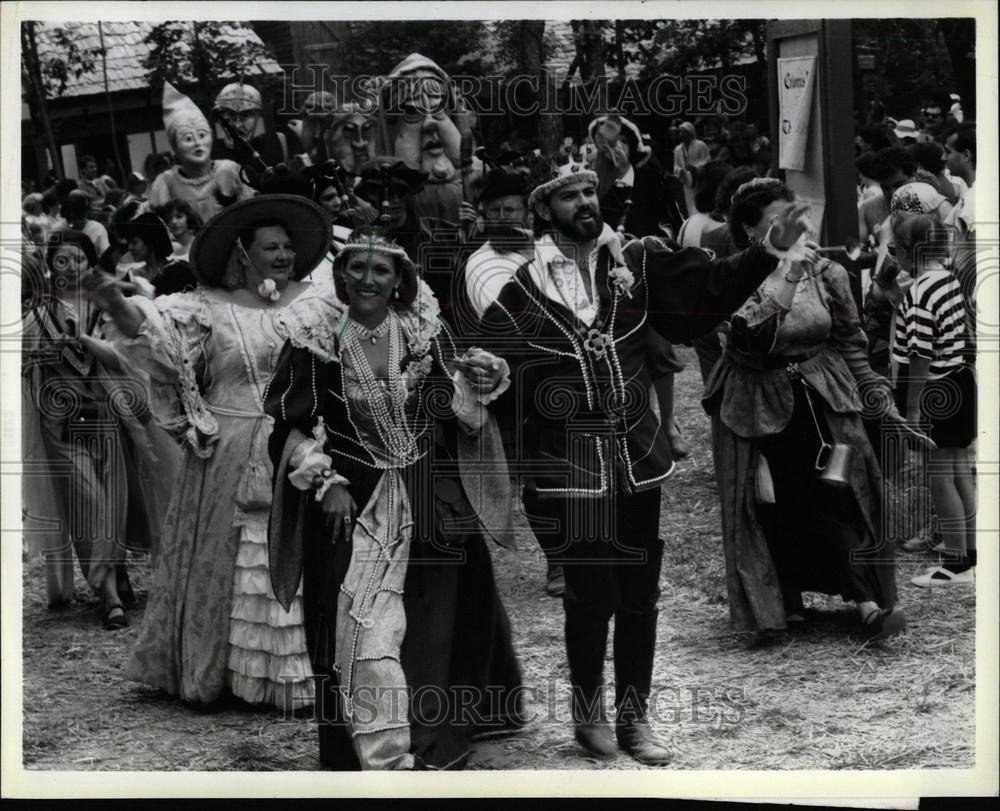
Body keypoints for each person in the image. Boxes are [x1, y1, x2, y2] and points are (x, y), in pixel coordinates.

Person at [478, 161, 812, 765]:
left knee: (639, 592)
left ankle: (635, 720)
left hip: (637, 456)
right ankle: (589, 718)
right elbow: (498, 372)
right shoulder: (519, 290)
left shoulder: (632, 268)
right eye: (569, 196)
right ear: (543, 211)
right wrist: (495, 380)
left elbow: (706, 294)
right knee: (589, 594)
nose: (584, 201)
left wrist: (767, 253)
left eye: (589, 192)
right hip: (569, 466)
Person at [264, 228, 523, 770]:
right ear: (340, 275)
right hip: (349, 498)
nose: (367, 280)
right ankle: (370, 749)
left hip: (425, 489)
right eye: (357, 267)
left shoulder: (423, 330)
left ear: (400, 279)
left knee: (431, 621)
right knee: (358, 621)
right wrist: (326, 484)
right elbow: (285, 428)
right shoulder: (316, 337)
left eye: (381, 270)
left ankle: (428, 743)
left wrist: (485, 377)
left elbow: (454, 403)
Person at [87, 195, 336, 710]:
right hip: (231, 450)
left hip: (302, 442)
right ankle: (235, 673)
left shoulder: (316, 303)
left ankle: (314, 667)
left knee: (301, 548)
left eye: (289, 246)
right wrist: (113, 303)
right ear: (244, 254)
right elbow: (155, 339)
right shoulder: (207, 308)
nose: (284, 255)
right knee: (244, 556)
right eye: (272, 247)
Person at [708, 177, 916, 641]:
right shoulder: (730, 279)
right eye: (778, 222)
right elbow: (750, 337)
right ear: (748, 229)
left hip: (823, 404)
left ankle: (866, 606)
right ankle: (782, 605)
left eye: (797, 218)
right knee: (771, 505)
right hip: (757, 407)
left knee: (837, 495)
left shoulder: (828, 272)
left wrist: (878, 398)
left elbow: (849, 341)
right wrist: (789, 271)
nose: (794, 229)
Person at [22, 230, 173, 627]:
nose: (70, 268)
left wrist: (82, 339)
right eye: (62, 260)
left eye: (79, 259)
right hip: (60, 421)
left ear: (91, 264)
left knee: (114, 498)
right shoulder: (34, 314)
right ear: (50, 266)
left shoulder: (104, 307)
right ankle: (108, 596)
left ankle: (114, 572)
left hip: (106, 412)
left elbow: (122, 359)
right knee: (88, 502)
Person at [888, 216, 976, 587]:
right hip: (959, 382)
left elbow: (920, 353)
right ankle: (970, 552)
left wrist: (912, 406)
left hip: (936, 390)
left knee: (940, 477)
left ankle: (956, 563)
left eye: (896, 249)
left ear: (911, 250)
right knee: (957, 470)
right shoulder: (948, 279)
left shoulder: (921, 292)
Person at [148, 82, 253, 223]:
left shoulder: (229, 169)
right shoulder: (166, 182)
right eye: (188, 138)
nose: (198, 143)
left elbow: (252, 212)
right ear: (175, 147)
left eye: (202, 135)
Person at [118, 211, 197, 297]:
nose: (130, 248)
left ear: (150, 242)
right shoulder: (130, 276)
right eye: (129, 243)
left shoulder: (179, 271)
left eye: (134, 242)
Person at [672, 121, 710, 216]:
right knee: (690, 204)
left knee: (703, 203)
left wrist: (695, 168)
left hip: (700, 180)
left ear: (690, 132)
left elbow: (707, 161)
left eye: (684, 132)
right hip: (687, 182)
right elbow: (676, 166)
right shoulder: (678, 149)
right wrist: (680, 171)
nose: (682, 134)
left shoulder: (700, 145)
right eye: (680, 132)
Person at [60, 190, 111, 258]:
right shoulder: (59, 229)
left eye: (76, 219)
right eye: (68, 219)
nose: (72, 223)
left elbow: (106, 254)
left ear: (84, 215)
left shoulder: (97, 229)